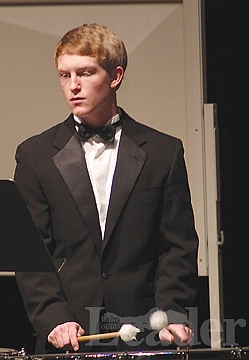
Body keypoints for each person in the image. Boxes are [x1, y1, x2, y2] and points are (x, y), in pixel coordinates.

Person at [14, 23, 199, 354]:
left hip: (145, 332)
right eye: (64, 75)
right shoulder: (35, 156)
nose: (73, 86)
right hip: (70, 334)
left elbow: (177, 245)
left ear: (115, 76)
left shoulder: (163, 152)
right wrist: (55, 318)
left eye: (85, 73)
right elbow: (32, 252)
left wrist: (172, 312)